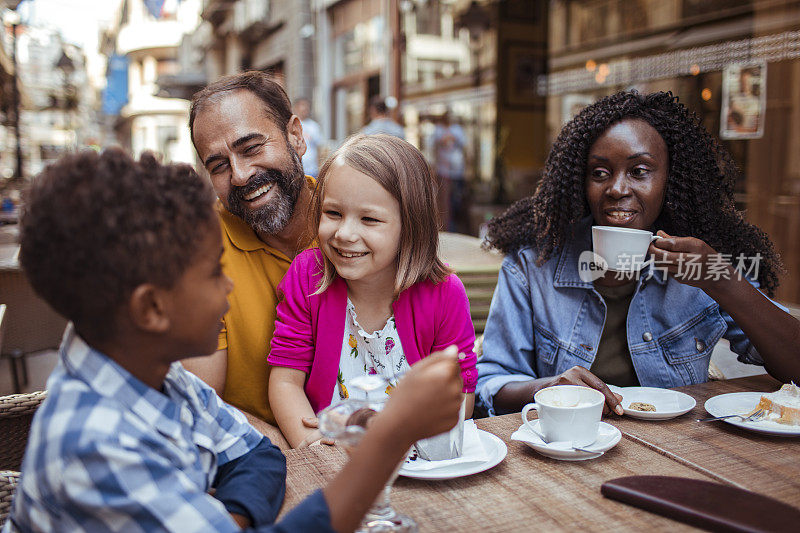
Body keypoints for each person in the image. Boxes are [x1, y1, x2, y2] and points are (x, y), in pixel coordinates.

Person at [5, 148, 466, 533]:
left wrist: (234, 519)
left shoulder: (158, 376)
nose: (230, 286)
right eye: (212, 272)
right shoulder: (96, 447)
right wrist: (390, 438)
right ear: (151, 309)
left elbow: (258, 455)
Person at [476, 91, 800, 416]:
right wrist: (548, 387)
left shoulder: (701, 262)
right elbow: (490, 384)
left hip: (680, 447)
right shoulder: (533, 263)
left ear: (669, 180)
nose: (616, 188)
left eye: (639, 171)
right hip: (569, 448)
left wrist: (722, 280)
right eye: (599, 173)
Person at [268, 134, 478, 448]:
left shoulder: (444, 292)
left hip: (415, 455)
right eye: (333, 213)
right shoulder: (307, 276)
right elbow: (285, 380)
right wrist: (310, 442)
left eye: (369, 219)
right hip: (332, 454)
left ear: (411, 226)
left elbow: (459, 390)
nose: (345, 233)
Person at [185, 72, 315, 444]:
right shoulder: (196, 253)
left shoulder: (356, 222)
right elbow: (202, 402)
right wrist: (294, 455)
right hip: (265, 459)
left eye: (252, 147)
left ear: (296, 135)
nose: (240, 176)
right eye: (219, 166)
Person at [432, 112, 468, 232]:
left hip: (457, 171)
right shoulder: (437, 130)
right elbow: (433, 148)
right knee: (444, 201)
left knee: (456, 200)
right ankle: (446, 226)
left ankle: (456, 226)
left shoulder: (457, 130)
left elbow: (464, 147)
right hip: (443, 171)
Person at [294, 97, 324, 177]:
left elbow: (319, 148)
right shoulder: (291, 125)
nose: (304, 109)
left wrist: (320, 167)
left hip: (312, 170)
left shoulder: (314, 126)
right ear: (296, 108)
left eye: (306, 106)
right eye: (302, 106)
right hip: (296, 170)